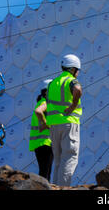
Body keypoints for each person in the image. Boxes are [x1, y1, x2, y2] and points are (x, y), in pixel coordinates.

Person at [36, 54, 82, 187]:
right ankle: (63, 188)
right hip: (69, 123)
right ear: (73, 69)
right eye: (77, 70)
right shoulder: (71, 80)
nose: (77, 73)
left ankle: (55, 187)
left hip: (54, 125)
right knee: (69, 157)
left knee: (58, 161)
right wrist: (73, 105)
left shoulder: (52, 84)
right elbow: (78, 89)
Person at [30, 79, 53, 181]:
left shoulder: (39, 102)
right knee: (45, 173)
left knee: (44, 172)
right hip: (45, 143)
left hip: (38, 144)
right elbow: (38, 112)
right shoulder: (45, 103)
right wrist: (46, 124)